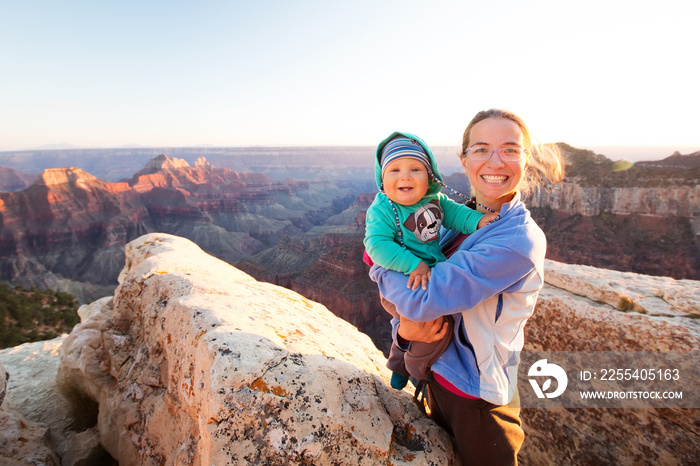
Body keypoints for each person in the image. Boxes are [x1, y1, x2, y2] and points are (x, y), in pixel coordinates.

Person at [369, 110, 564, 465]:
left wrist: (379, 269)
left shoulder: (517, 241)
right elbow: (416, 273)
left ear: (525, 158)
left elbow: (421, 299)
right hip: (439, 377)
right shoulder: (456, 217)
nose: (495, 161)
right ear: (463, 159)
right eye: (481, 149)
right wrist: (407, 334)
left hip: (476, 399)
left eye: (509, 149)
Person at [363, 131, 496, 390]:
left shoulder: (433, 199)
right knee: (430, 329)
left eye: (415, 169)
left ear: (430, 177)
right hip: (399, 275)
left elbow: (455, 214)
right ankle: (412, 367)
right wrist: (414, 264)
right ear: (382, 179)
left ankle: (400, 360)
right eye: (394, 170)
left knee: (416, 325)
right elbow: (377, 245)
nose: (405, 176)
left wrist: (479, 221)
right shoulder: (382, 209)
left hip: (426, 270)